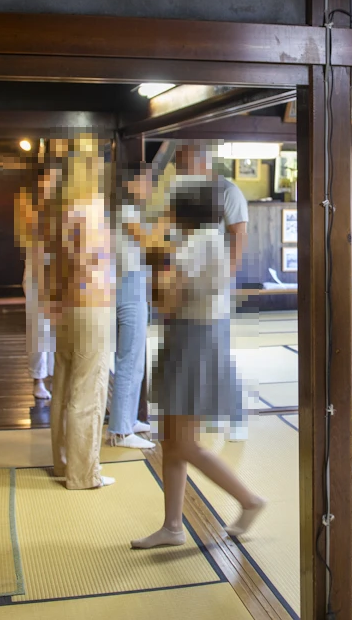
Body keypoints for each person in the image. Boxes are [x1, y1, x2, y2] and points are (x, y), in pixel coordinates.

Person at [131, 181, 266, 549]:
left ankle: (248, 499)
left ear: (182, 212)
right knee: (173, 442)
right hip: (192, 338)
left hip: (193, 340)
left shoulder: (195, 245)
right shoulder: (209, 241)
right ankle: (173, 526)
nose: (166, 215)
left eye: (170, 209)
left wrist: (157, 258)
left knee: (183, 443)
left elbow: (168, 302)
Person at [41, 134, 116, 490]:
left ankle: (62, 462)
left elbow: (55, 265)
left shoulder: (60, 209)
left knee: (64, 385)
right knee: (89, 388)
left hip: (67, 306)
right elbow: (91, 261)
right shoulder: (93, 207)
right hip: (93, 305)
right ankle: (84, 474)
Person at [173, 145, 250, 442]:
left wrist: (227, 275)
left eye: (183, 164)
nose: (179, 171)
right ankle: (212, 413)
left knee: (217, 350)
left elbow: (239, 233)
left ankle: (236, 416)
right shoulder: (186, 192)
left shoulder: (227, 191)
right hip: (188, 282)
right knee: (196, 350)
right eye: (178, 165)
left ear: (202, 163)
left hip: (214, 281)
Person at [107, 161, 157, 450]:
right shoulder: (125, 211)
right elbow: (154, 244)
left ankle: (126, 420)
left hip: (130, 284)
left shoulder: (125, 210)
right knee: (129, 359)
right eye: (147, 181)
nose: (150, 187)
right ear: (130, 184)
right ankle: (121, 430)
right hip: (128, 285)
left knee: (134, 359)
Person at [19, 161, 58, 401]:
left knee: (57, 331)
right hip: (38, 276)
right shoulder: (32, 210)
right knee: (39, 330)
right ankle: (38, 379)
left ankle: (54, 376)